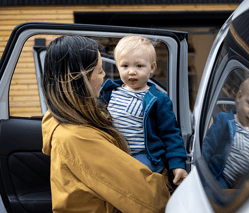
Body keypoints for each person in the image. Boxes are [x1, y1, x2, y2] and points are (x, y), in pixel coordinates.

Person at [41, 35, 170, 213]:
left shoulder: (63, 116)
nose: (104, 77)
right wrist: (170, 185)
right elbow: (148, 199)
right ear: (82, 77)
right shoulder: (78, 136)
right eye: (100, 71)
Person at [99, 35, 188, 186]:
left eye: (139, 66)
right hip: (115, 152)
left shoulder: (158, 99)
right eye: (125, 66)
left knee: (135, 175)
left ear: (152, 68)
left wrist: (177, 164)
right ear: (118, 66)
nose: (131, 72)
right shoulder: (110, 93)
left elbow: (171, 134)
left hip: (144, 155)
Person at [202, 76, 249, 189]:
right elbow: (208, 149)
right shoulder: (224, 120)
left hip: (238, 189)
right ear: (239, 97)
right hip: (218, 179)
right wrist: (201, 175)